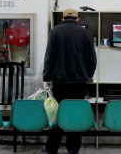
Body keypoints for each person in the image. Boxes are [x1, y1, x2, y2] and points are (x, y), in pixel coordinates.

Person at [41, 8, 97, 154]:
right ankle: (73, 149)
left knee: (57, 114)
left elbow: (50, 57)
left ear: (63, 19)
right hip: (79, 82)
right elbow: (92, 58)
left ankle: (51, 148)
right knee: (74, 114)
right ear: (77, 19)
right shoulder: (85, 33)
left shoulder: (55, 31)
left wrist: (47, 77)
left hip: (60, 81)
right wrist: (89, 74)